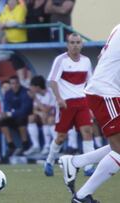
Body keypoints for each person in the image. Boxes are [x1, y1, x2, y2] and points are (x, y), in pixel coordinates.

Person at [58, 24, 120, 203]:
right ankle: (82, 196)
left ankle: (75, 163)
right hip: (106, 92)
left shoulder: (117, 27)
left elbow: (102, 55)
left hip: (107, 90)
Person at [44, 33, 94, 177]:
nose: (75, 45)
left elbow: (89, 83)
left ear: (82, 44)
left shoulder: (86, 61)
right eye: (72, 42)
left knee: (87, 131)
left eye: (78, 42)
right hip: (66, 103)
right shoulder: (61, 60)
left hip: (82, 102)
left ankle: (88, 167)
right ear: (67, 45)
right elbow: (53, 81)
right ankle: (49, 161)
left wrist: (91, 105)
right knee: (61, 136)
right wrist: (59, 98)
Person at [0, 76, 33, 158]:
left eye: (16, 83)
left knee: (21, 120)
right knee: (2, 121)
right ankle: (11, 145)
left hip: (25, 117)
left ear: (19, 83)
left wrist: (11, 113)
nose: (14, 85)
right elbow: (6, 108)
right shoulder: (8, 93)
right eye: (12, 83)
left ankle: (25, 144)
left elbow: (24, 110)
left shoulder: (25, 92)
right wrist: (9, 113)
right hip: (13, 117)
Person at [25, 75, 56, 156]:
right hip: (44, 116)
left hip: (55, 116)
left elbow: (47, 110)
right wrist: (40, 113)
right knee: (31, 118)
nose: (30, 89)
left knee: (47, 118)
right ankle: (36, 146)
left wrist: (35, 98)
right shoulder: (37, 94)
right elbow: (34, 110)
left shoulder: (51, 93)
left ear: (37, 87)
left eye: (32, 87)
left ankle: (48, 145)